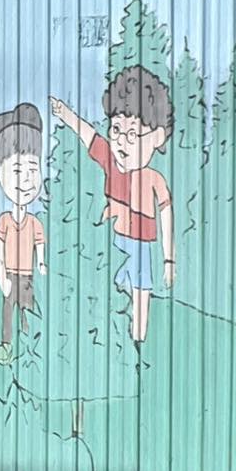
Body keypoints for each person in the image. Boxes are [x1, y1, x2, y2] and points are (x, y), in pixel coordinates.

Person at [50, 67, 174, 346]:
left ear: (156, 138)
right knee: (109, 293)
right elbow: (88, 134)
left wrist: (169, 259)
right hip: (113, 244)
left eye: (133, 135)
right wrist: (65, 114)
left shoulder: (154, 179)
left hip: (141, 248)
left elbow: (166, 214)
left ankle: (137, 344)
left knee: (141, 295)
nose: (121, 142)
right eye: (116, 130)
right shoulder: (109, 159)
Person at [0, 103, 47, 364]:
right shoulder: (4, 221)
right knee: (7, 313)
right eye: (19, 171)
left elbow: (40, 245)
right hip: (11, 274)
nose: (27, 180)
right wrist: (2, 279)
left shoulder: (34, 222)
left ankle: (31, 348)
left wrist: (42, 263)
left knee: (28, 310)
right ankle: (6, 347)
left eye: (33, 170)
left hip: (28, 276)